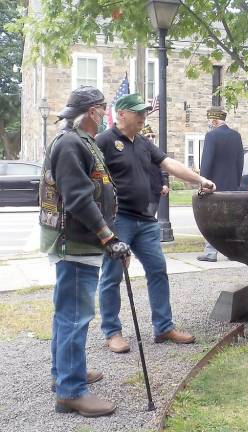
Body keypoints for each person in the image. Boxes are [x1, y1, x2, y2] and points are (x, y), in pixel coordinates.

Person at [96, 93, 216, 353]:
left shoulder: (142, 143)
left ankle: (163, 328)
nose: (143, 117)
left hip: (146, 221)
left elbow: (169, 163)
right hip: (120, 220)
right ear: (122, 114)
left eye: (144, 112)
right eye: (138, 112)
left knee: (158, 270)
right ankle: (112, 332)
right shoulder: (104, 141)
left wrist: (199, 179)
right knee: (113, 275)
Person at [39, 86, 131, 416]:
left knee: (68, 314)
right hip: (74, 242)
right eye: (104, 108)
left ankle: (64, 375)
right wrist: (109, 237)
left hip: (80, 241)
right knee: (74, 318)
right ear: (93, 112)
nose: (107, 114)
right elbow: (78, 199)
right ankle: (70, 391)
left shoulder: (82, 141)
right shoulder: (70, 144)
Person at [197, 106, 244, 262]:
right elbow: (240, 162)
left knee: (211, 220)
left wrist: (203, 181)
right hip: (232, 185)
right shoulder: (236, 136)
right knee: (230, 219)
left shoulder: (211, 136)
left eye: (210, 121)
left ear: (215, 121)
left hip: (214, 186)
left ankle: (210, 253)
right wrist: (236, 182)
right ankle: (233, 252)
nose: (209, 124)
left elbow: (207, 162)